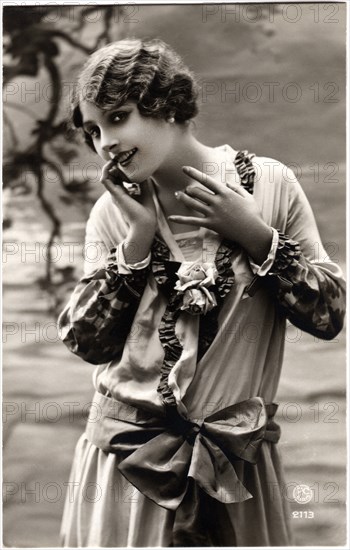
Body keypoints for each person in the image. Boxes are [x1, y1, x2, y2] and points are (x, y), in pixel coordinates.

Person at [58, 38, 346, 547]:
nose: (105, 141)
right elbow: (88, 343)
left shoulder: (270, 186)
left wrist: (254, 234)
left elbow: (328, 315)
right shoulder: (113, 213)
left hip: (235, 462)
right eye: (93, 131)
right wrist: (137, 241)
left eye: (118, 117)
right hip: (127, 463)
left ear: (165, 104)